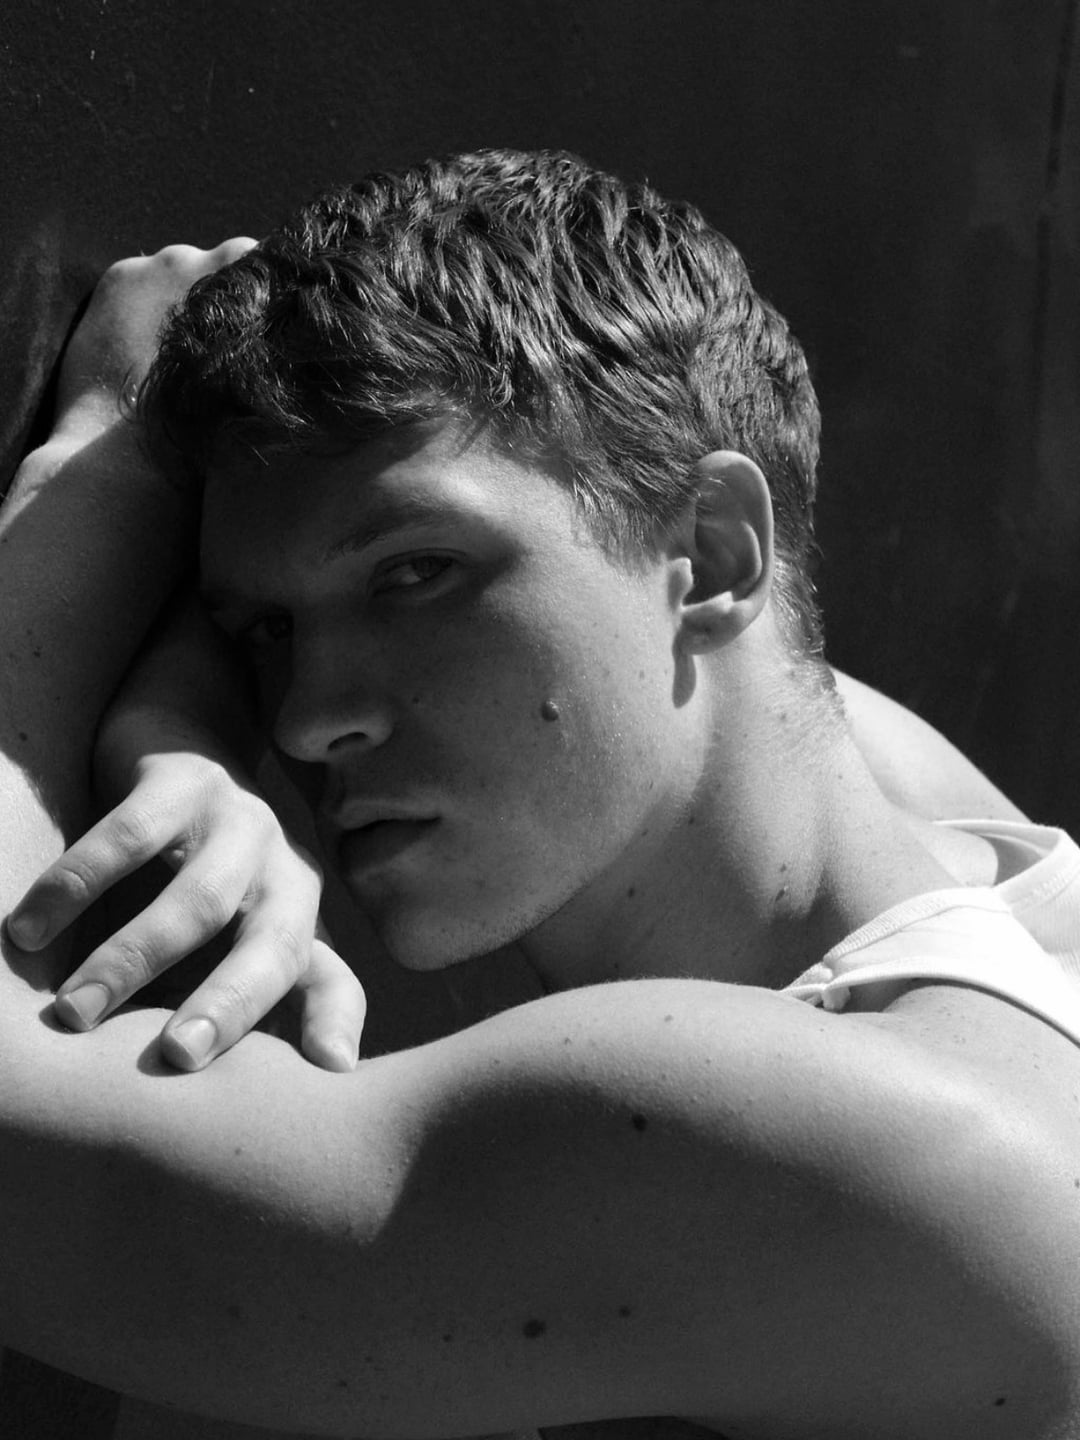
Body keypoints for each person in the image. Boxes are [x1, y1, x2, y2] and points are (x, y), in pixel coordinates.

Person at [2, 149, 1080, 1440]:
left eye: (416, 574)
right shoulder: (988, 878)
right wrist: (191, 726)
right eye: (267, 632)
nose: (307, 718)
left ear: (712, 553)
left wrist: (101, 467)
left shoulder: (844, 1140)